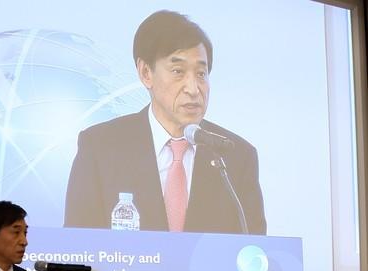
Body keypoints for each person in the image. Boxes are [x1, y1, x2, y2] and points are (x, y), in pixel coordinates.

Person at [64, 10, 266, 234]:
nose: (193, 88)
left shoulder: (237, 156)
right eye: (178, 71)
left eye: (201, 73)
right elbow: (77, 249)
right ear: (146, 72)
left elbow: (253, 253)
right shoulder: (100, 147)